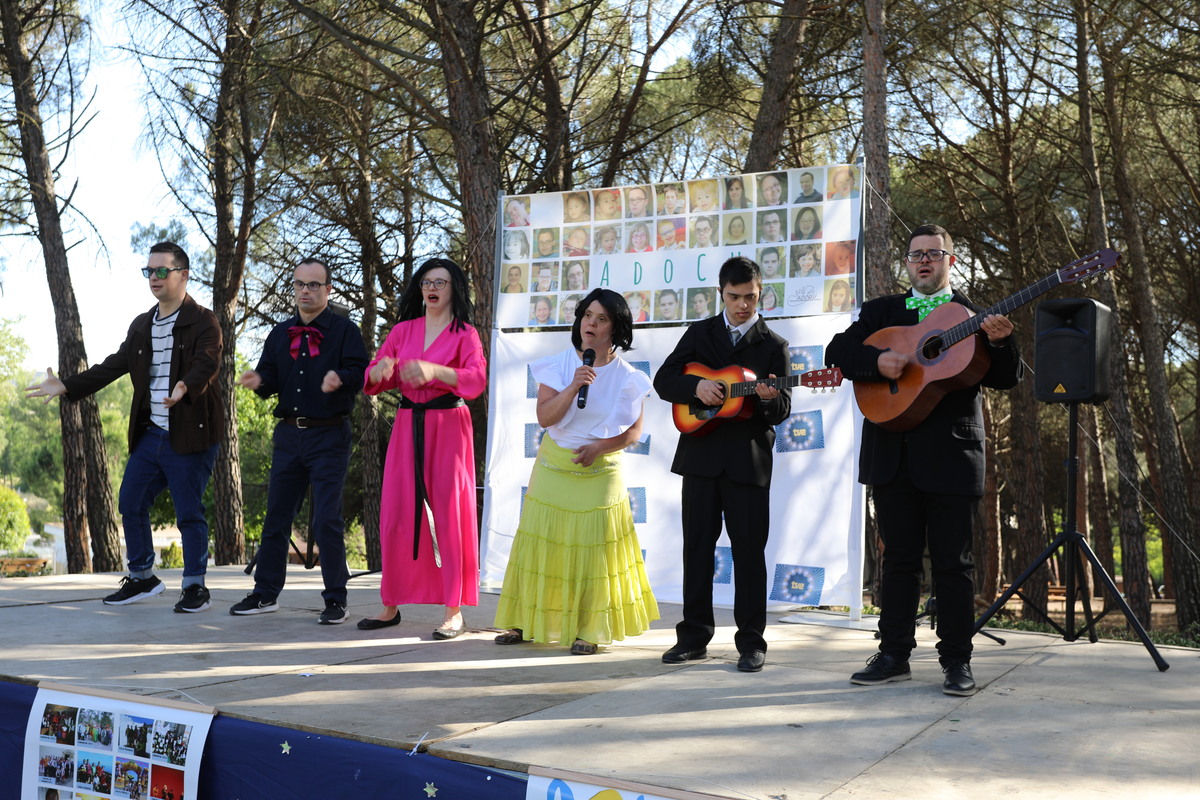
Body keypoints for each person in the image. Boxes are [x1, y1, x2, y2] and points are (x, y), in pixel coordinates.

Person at [826, 223, 1022, 696]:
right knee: (898, 563)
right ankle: (893, 654)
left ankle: (957, 661)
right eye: (916, 255)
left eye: (933, 254)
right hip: (892, 455)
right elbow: (838, 351)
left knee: (954, 565)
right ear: (908, 263)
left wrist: (999, 343)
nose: (923, 261)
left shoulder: (974, 315)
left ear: (950, 261)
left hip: (952, 455)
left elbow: (1006, 378)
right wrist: (878, 364)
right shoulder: (882, 313)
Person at [25, 241, 223, 612]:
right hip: (152, 433)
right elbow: (115, 363)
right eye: (149, 271)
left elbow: (207, 361)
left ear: (183, 274)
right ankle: (143, 577)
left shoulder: (203, 320)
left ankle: (195, 586)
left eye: (162, 270)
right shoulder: (143, 324)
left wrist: (186, 386)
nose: (154, 277)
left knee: (188, 513)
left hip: (190, 433)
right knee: (131, 501)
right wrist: (68, 384)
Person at [494, 288, 659, 654]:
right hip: (554, 466)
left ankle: (590, 630)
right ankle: (523, 622)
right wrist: (574, 385)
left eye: (602, 319)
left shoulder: (629, 376)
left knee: (594, 553)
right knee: (540, 544)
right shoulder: (559, 364)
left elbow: (632, 432)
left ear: (615, 329)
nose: (591, 324)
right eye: (587, 315)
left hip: (601, 472)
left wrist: (601, 448)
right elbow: (544, 417)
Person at [654, 256, 791, 673]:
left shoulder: (774, 345)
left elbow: (783, 408)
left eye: (751, 297)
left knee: (749, 554)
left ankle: (751, 643)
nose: (744, 305)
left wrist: (769, 398)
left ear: (760, 292)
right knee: (697, 549)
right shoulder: (700, 333)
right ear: (721, 294)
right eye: (735, 297)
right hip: (699, 459)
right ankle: (693, 638)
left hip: (748, 465)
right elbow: (664, 381)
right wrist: (698, 386)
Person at [231, 257, 368, 624]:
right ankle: (265, 594)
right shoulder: (279, 334)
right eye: (299, 284)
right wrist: (258, 382)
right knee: (276, 516)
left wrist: (341, 377)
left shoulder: (344, 331)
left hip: (329, 434)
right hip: (289, 434)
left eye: (313, 285)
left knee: (326, 520)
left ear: (328, 289)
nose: (305, 291)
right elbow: (271, 377)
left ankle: (336, 599)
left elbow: (361, 373)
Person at [358, 258, 487, 638]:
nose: (432, 288)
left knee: (451, 513)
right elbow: (376, 372)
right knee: (398, 510)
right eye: (427, 282)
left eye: (441, 282)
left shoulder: (466, 334)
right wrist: (379, 373)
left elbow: (476, 379)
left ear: (454, 290)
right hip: (407, 423)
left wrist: (436, 372)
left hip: (449, 425)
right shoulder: (403, 330)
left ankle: (453, 610)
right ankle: (390, 604)